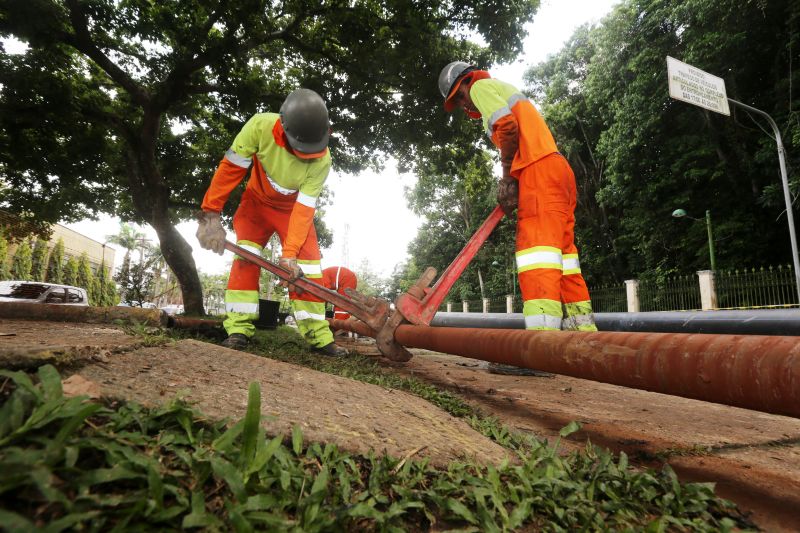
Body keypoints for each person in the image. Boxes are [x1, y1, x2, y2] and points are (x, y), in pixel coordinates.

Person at [438, 62, 597, 371]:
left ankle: (541, 350)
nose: (463, 104)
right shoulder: (505, 90)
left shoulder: (481, 87)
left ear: (465, 84)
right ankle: (583, 344)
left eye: (459, 98)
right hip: (557, 171)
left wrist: (509, 178)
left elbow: (507, 127)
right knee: (564, 260)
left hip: (537, 171)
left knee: (537, 257)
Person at [196, 88, 347, 356]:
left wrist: (290, 255)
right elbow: (231, 169)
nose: (306, 155)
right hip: (256, 204)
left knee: (309, 268)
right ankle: (239, 330)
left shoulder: (323, 161)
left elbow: (303, 210)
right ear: (284, 129)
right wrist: (210, 215)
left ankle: (319, 337)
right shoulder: (259, 126)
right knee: (247, 258)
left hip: (292, 211)